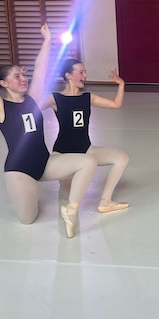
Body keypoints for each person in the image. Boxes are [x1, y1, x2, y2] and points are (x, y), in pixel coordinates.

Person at [0, 25, 97, 238]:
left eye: (22, 74)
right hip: (20, 170)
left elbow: (40, 69)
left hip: (45, 163)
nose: (23, 79)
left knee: (88, 162)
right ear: (4, 83)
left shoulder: (33, 99)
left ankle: (71, 209)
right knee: (28, 219)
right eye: (16, 76)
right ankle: (24, 190)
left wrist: (47, 40)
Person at [48, 59, 129, 214]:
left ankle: (106, 201)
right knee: (67, 198)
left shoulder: (88, 98)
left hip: (86, 150)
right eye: (81, 72)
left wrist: (121, 84)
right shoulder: (55, 98)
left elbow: (116, 104)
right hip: (63, 155)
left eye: (85, 72)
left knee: (122, 158)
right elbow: (30, 107)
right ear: (69, 75)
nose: (85, 75)